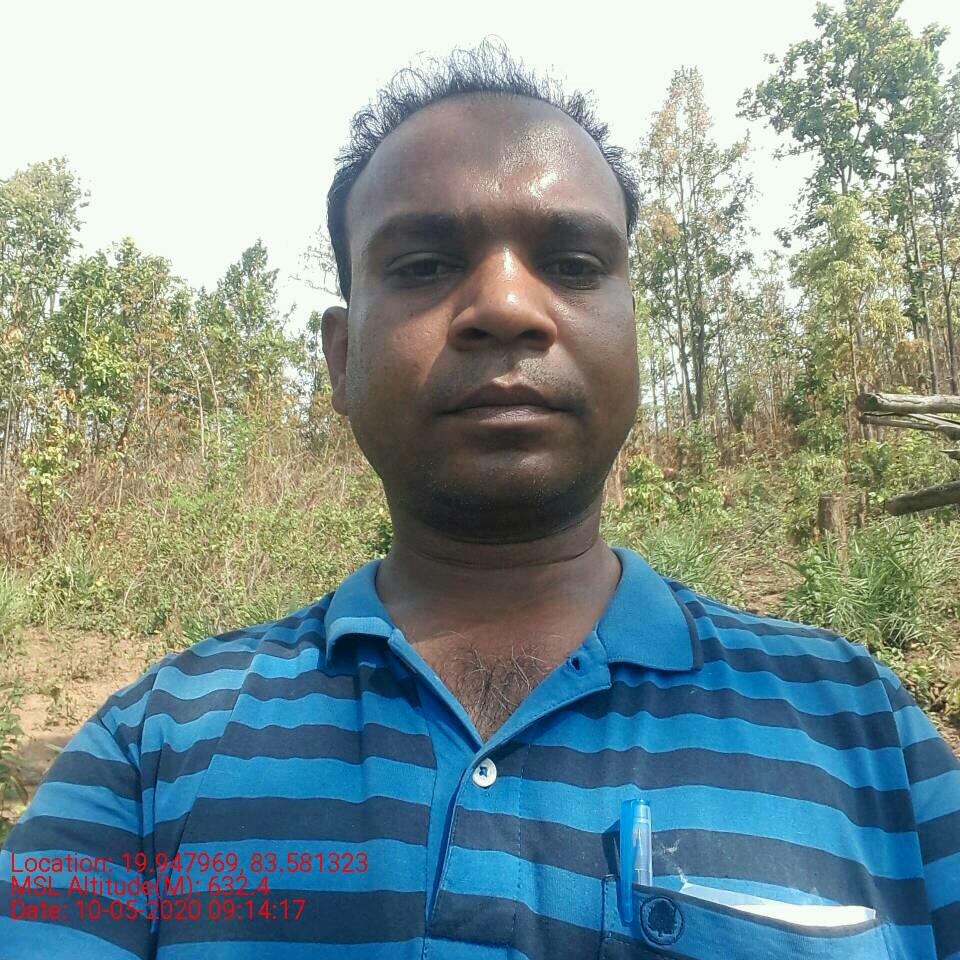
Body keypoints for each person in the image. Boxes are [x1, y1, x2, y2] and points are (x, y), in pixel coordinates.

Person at [2, 40, 959, 960]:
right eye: (423, 265)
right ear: (340, 356)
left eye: (573, 265)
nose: (506, 306)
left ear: (635, 335)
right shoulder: (155, 748)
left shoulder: (859, 729)